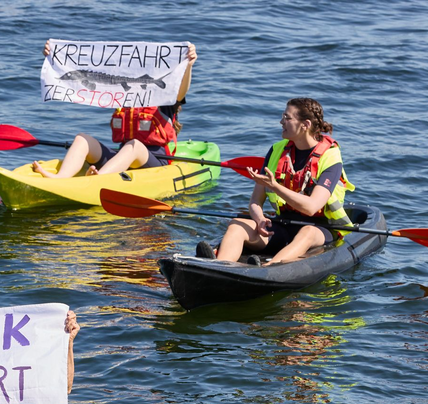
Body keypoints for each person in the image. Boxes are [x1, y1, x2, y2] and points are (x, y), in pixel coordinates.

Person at [201, 97, 355, 265]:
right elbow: (255, 201)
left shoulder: (330, 157)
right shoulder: (277, 150)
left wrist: (274, 186)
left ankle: (268, 268)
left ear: (305, 125)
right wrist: (259, 218)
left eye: (287, 118)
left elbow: (311, 207)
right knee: (237, 224)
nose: (281, 122)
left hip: (320, 229)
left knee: (307, 232)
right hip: (282, 225)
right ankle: (219, 266)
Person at [33, 42, 197, 178]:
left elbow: (181, 91)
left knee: (134, 145)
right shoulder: (122, 94)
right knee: (82, 139)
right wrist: (55, 58)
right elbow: (81, 80)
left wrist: (188, 65)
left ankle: (98, 179)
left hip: (155, 161)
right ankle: (61, 177)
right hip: (121, 158)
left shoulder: (165, 96)